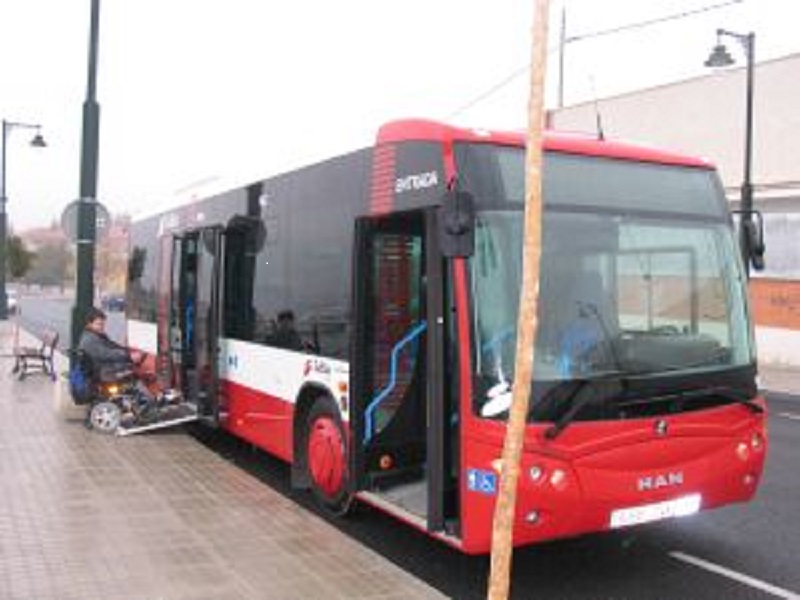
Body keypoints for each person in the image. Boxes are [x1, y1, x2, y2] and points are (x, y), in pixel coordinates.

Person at [78, 307, 142, 381]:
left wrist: (127, 351)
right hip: (100, 371)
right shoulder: (90, 339)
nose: (102, 327)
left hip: (100, 368)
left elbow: (112, 346)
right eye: (99, 324)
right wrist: (128, 356)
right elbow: (107, 354)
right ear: (89, 324)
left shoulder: (96, 335)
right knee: (132, 368)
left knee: (131, 365)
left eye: (103, 324)